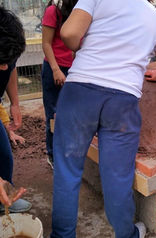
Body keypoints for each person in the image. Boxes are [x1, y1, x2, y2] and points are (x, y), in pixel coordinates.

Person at [51, 0, 156, 237]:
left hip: (80, 91)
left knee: (67, 172)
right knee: (117, 177)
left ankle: (62, 235)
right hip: (123, 101)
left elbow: (70, 34)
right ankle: (126, 234)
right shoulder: (155, 17)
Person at [0, 6, 31, 213]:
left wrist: (15, 103)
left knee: (3, 154)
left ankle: (3, 199)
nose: (3, 67)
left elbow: (11, 70)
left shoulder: (7, 44)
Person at [41, 0, 77, 169]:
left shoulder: (79, 13)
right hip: (54, 67)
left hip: (73, 68)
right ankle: (52, 154)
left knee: (72, 113)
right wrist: (56, 69)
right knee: (54, 114)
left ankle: (69, 152)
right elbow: (46, 43)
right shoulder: (52, 12)